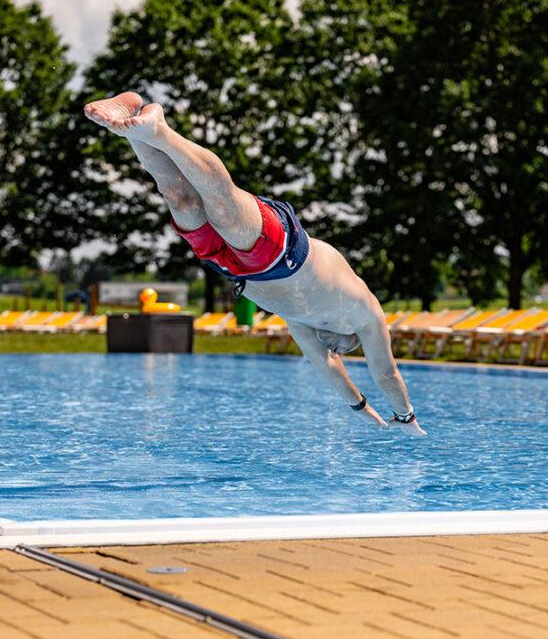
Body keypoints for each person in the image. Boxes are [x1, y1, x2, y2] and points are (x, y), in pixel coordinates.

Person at [83, 92, 426, 436]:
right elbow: (386, 373)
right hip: (285, 254)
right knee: (225, 207)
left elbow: (328, 368)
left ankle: (133, 121)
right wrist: (406, 417)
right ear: (351, 338)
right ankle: (161, 131)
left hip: (233, 269)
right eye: (344, 347)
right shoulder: (366, 314)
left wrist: (361, 409)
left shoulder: (302, 321)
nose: (336, 351)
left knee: (180, 199)